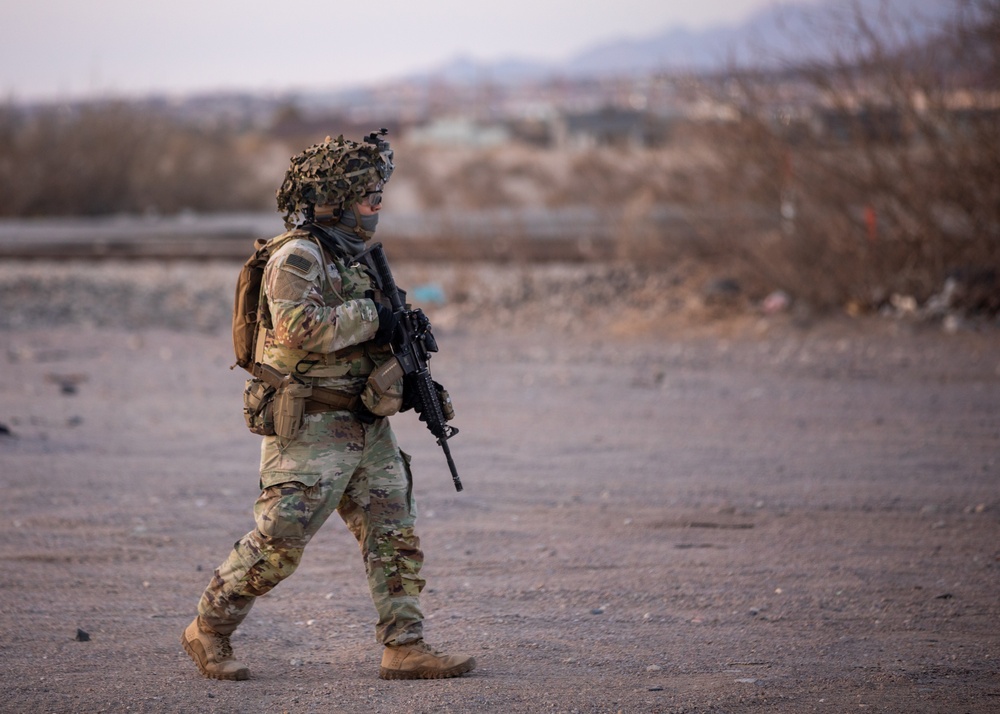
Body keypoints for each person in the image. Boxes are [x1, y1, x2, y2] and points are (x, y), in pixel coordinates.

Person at [181, 131, 475, 681]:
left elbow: (376, 336)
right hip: (310, 424)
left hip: (366, 423)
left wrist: (412, 373)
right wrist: (375, 316)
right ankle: (209, 629)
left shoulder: (357, 258)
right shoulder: (297, 256)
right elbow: (299, 328)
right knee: (279, 542)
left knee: (394, 535)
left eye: (378, 196)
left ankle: (405, 645)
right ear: (336, 201)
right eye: (369, 198)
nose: (377, 207)